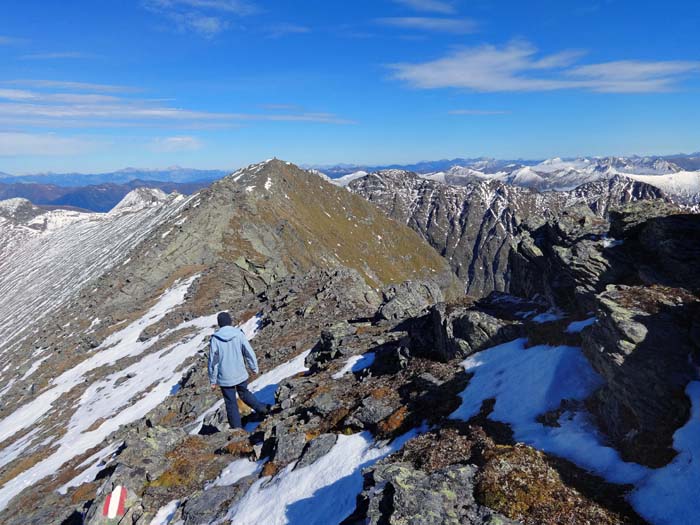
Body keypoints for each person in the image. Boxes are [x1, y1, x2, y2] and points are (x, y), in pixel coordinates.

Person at [208, 312, 270, 429]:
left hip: (225, 378)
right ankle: (262, 409)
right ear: (229, 321)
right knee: (244, 393)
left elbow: (213, 362)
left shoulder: (215, 339)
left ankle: (237, 430)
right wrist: (254, 368)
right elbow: (248, 352)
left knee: (230, 403)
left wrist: (213, 380)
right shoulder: (238, 334)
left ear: (219, 324)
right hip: (240, 373)